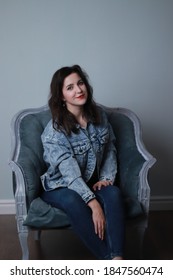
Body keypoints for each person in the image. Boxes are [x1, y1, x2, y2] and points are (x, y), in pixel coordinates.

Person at [40, 65, 125, 260]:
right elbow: (70, 176)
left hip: (90, 181)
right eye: (69, 87)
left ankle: (118, 259)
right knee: (73, 199)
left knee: (113, 192)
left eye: (80, 83)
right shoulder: (55, 131)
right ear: (61, 96)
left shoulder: (100, 116)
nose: (78, 90)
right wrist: (93, 203)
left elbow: (110, 149)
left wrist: (105, 178)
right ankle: (110, 263)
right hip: (61, 185)